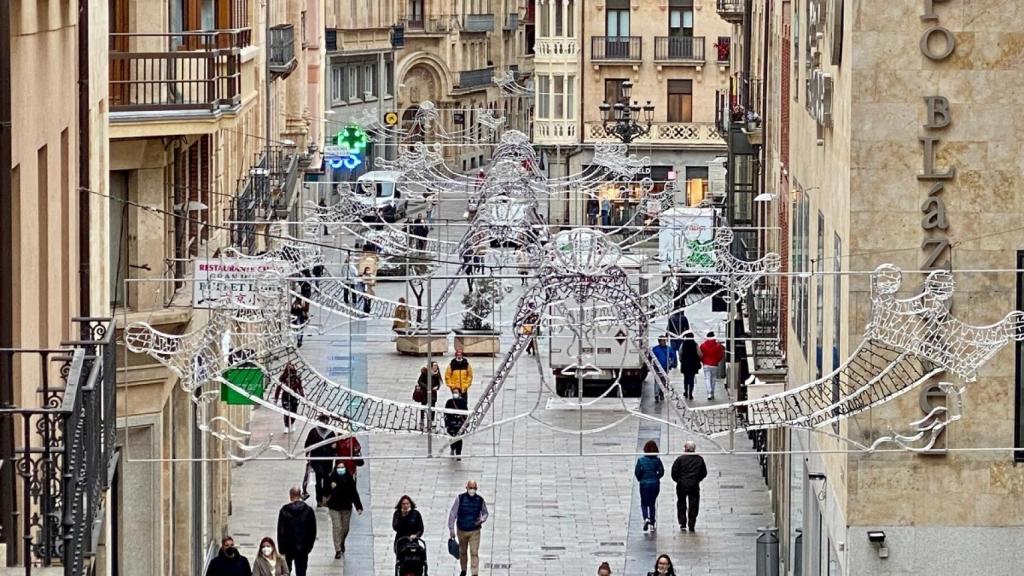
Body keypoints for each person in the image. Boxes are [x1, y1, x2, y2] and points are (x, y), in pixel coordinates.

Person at [448, 480, 489, 576]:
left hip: (474, 531)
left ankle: (474, 573)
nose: (472, 490)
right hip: (461, 530)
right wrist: (451, 529)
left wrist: (482, 519)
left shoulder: (480, 500)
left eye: (474, 488)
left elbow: (485, 512)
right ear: (466, 487)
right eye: (470, 488)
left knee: (474, 552)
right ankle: (463, 570)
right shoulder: (460, 499)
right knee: (463, 552)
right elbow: (453, 514)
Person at [325, 461, 363, 558]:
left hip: (346, 507)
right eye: (339, 467)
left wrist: (358, 507)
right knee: (337, 527)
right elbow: (325, 491)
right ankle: (337, 549)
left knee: (345, 528)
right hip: (334, 507)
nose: (341, 469)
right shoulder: (331, 479)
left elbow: (354, 493)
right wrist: (331, 488)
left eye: (342, 467)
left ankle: (342, 542)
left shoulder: (349, 479)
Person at [276, 486, 316, 576]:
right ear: (300, 495)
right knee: (301, 572)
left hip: (288, 547)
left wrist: (281, 549)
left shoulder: (284, 511)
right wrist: (309, 547)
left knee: (286, 571)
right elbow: (312, 531)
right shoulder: (308, 511)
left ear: (290, 496)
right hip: (303, 548)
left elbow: (281, 531)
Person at [671, 441, 708, 532]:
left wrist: (679, 480)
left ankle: (682, 523)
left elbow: (674, 472)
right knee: (694, 504)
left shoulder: (680, 459)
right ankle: (692, 523)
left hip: (682, 485)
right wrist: (697, 479)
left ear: (686, 449)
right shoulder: (699, 459)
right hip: (694, 485)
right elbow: (704, 473)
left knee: (681, 503)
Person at [303, 417, 337, 506]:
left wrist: (334, 448)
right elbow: (307, 444)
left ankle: (325, 497)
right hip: (317, 460)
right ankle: (319, 499)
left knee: (327, 480)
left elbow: (335, 445)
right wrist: (307, 454)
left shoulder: (331, 433)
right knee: (318, 481)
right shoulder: (313, 432)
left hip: (327, 460)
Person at [634, 440, 664, 533]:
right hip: (655, 484)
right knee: (652, 504)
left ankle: (646, 518)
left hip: (644, 484)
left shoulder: (641, 460)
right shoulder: (657, 460)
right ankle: (652, 523)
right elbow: (662, 472)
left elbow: (637, 472)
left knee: (644, 503)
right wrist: (656, 477)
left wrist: (640, 479)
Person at [275, 362, 304, 433]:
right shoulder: (283, 377)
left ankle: (292, 423)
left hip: (294, 396)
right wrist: (276, 397)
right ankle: (286, 426)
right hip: (285, 396)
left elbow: (300, 387)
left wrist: (302, 395)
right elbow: (278, 387)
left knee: (294, 411)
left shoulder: (297, 377)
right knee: (287, 411)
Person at [699, 331, 726, 400]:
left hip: (706, 364)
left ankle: (709, 393)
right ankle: (712, 392)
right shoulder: (718, 346)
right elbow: (721, 355)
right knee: (713, 379)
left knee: (707, 378)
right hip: (714, 364)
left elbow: (700, 355)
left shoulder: (702, 345)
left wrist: (703, 361)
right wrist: (717, 361)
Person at [415, 363, 443, 430]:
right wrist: (427, 387)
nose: (435, 367)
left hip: (433, 393)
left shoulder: (437, 374)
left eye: (436, 365)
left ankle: (432, 420)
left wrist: (437, 387)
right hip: (425, 392)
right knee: (423, 406)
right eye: (434, 365)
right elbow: (419, 381)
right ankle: (422, 420)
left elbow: (439, 383)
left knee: (432, 407)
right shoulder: (425, 373)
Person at [444, 388, 468, 458]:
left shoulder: (463, 401)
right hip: (451, 423)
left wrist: (464, 422)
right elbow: (446, 413)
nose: (455, 394)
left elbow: (465, 412)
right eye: (454, 392)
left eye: (456, 392)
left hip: (460, 423)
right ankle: (452, 448)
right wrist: (447, 423)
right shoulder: (449, 402)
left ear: (459, 393)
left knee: (459, 438)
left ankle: (458, 453)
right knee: (452, 437)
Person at [650, 336, 675, 404]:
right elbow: (650, 356)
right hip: (657, 368)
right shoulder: (655, 349)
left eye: (665, 341)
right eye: (663, 341)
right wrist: (652, 365)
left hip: (665, 367)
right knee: (657, 381)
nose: (664, 342)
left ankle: (661, 393)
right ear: (659, 341)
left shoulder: (669, 349)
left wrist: (671, 363)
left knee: (664, 381)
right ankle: (656, 395)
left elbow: (673, 356)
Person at [678, 333, 702, 401]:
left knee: (686, 378)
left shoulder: (683, 344)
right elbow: (700, 354)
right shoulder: (695, 344)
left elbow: (680, 353)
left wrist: (681, 360)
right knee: (691, 378)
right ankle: (690, 394)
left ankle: (686, 392)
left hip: (685, 364)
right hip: (693, 364)